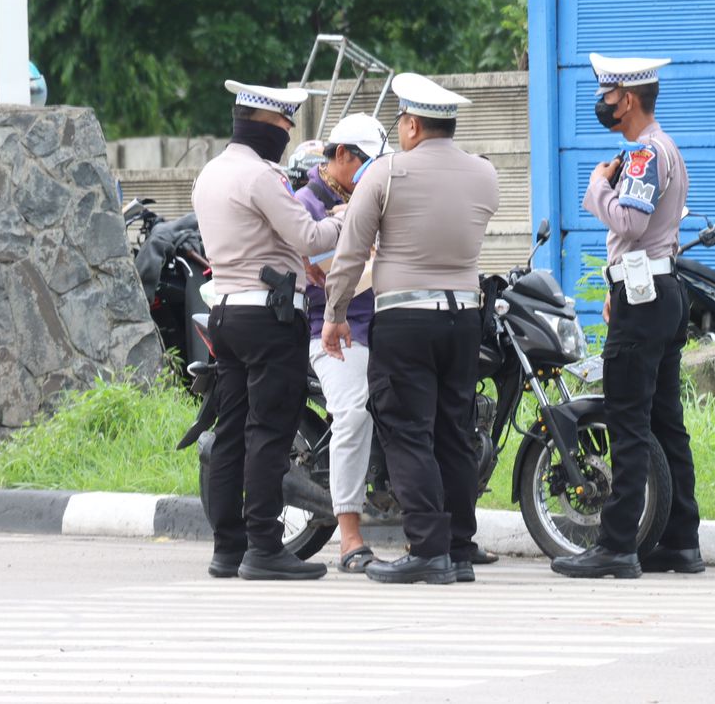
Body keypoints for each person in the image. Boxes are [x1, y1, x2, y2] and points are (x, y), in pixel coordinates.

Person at [322, 73, 499, 585]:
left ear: (413, 126)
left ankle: (427, 549)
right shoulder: (484, 174)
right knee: (453, 432)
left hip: (404, 320)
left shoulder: (386, 173)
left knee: (406, 431)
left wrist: (334, 313)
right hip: (464, 318)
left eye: (401, 121)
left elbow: (351, 252)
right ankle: (459, 547)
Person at [551, 53, 704, 579]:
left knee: (628, 420)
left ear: (629, 99)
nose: (602, 103)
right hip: (658, 288)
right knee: (664, 422)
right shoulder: (666, 148)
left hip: (646, 297)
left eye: (608, 95)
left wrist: (597, 186)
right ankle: (681, 541)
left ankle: (617, 545)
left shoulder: (644, 154)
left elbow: (632, 223)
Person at [190, 80, 344, 581]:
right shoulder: (261, 176)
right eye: (284, 124)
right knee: (269, 432)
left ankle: (227, 548)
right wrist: (345, 218)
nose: (288, 133)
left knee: (231, 432)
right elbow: (309, 235)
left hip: (227, 313)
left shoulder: (210, 173)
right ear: (263, 124)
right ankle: (264, 547)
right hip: (269, 319)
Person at [296, 113, 387, 573]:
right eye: (369, 163)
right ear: (344, 155)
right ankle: (349, 537)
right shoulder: (306, 204)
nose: (374, 172)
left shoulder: (376, 195)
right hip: (333, 330)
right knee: (352, 414)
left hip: (385, 325)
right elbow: (316, 269)